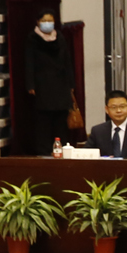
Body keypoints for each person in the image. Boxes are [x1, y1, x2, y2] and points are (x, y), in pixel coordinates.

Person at [22, 9, 75, 155]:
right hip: (42, 85)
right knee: (43, 122)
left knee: (61, 121)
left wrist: (71, 83)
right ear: (38, 22)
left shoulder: (60, 37)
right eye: (44, 21)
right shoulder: (32, 38)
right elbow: (29, 62)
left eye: (50, 20)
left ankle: (62, 150)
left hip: (61, 85)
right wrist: (30, 84)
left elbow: (67, 61)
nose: (47, 23)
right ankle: (43, 152)